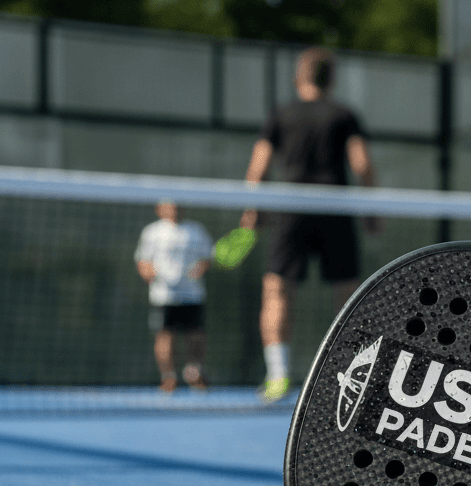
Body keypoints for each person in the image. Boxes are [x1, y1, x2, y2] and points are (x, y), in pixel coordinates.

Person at [240, 47, 380, 403]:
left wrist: (252, 211)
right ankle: (355, 377)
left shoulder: (281, 113)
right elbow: (362, 165)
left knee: (277, 291)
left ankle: (278, 375)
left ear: (297, 76)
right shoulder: (344, 114)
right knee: (348, 295)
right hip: (336, 208)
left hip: (291, 209)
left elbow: (258, 169)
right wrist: (371, 209)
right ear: (331, 78)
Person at [135, 201, 212, 393]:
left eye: (178, 205)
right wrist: (152, 276)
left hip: (192, 295)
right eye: (170, 205)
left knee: (196, 335)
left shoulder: (196, 230)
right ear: (159, 208)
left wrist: (201, 268)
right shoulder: (151, 232)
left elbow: (207, 258)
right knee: (165, 335)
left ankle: (195, 372)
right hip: (163, 296)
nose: (175, 208)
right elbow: (143, 262)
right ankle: (168, 377)